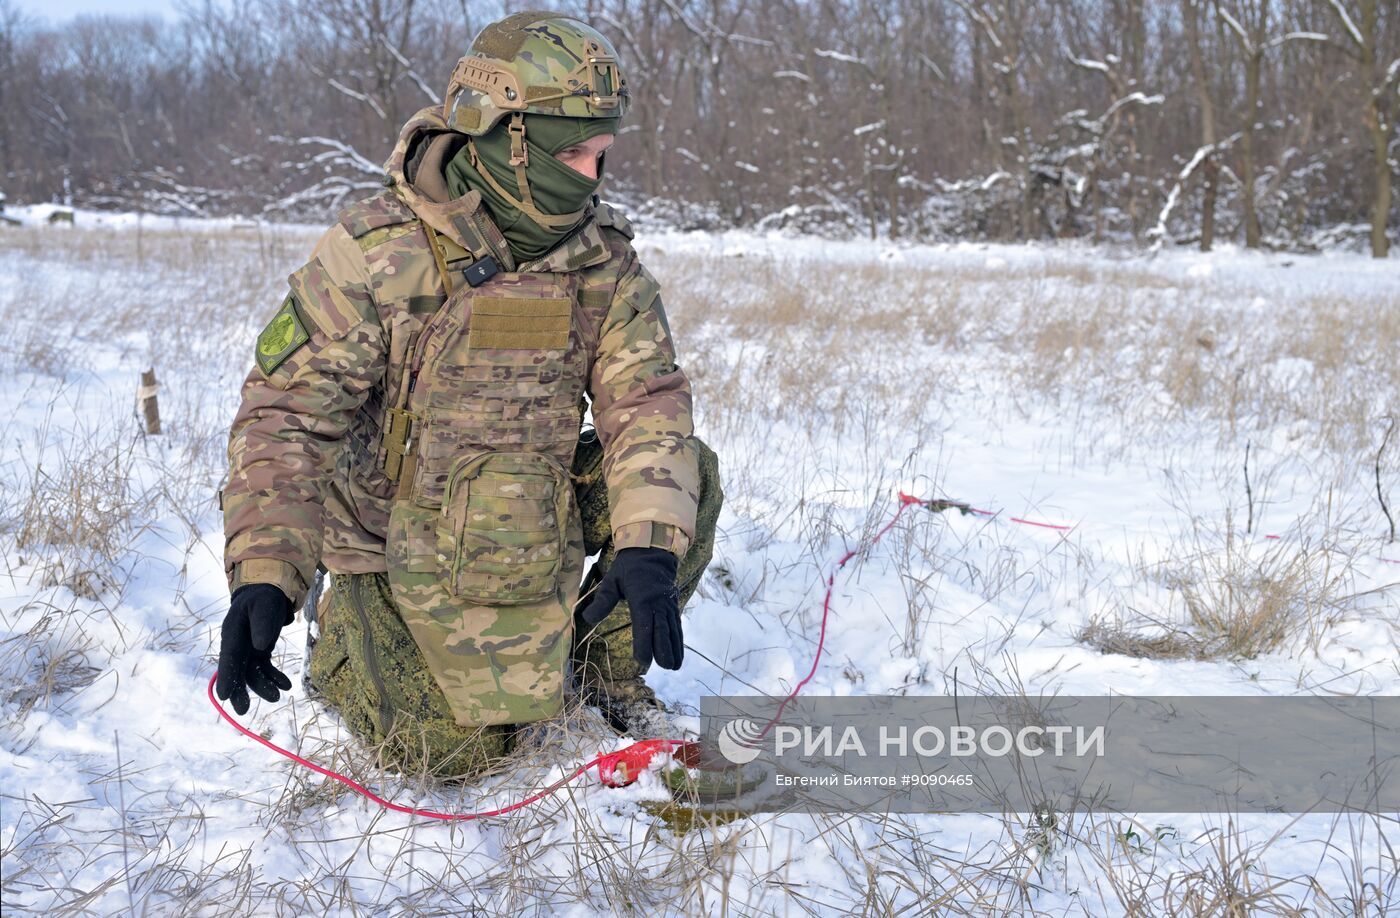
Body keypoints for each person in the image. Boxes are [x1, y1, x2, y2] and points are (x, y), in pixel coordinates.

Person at [214, 10, 722, 780]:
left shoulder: (601, 262)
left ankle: (599, 659)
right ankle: (351, 636)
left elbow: (645, 405)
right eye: (575, 153)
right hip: (390, 543)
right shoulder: (378, 251)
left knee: (688, 476)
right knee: (453, 760)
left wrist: (649, 547)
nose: (592, 176)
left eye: (603, 154)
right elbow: (286, 421)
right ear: (507, 139)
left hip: (531, 511)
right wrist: (264, 571)